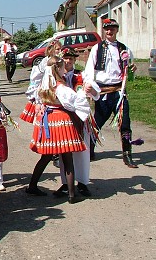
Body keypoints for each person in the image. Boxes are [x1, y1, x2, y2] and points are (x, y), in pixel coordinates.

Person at [26, 56, 90, 203]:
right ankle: (71, 194)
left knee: (46, 156)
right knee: (67, 159)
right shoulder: (61, 87)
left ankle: (32, 185)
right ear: (59, 69)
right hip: (62, 120)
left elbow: (36, 98)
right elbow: (77, 101)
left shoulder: (43, 84)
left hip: (48, 120)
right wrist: (83, 92)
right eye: (62, 68)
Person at [83, 18, 138, 168]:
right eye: (107, 29)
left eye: (112, 28)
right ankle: (90, 150)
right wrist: (88, 85)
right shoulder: (97, 48)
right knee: (97, 123)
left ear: (117, 30)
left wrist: (132, 70)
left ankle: (127, 154)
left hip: (119, 93)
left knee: (125, 123)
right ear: (104, 31)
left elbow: (129, 72)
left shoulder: (124, 49)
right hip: (103, 92)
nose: (109, 31)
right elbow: (89, 69)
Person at [54, 47, 100, 197]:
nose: (68, 61)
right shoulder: (56, 76)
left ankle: (82, 182)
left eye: (71, 58)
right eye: (65, 58)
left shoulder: (81, 75)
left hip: (81, 119)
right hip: (64, 118)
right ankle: (66, 184)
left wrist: (90, 88)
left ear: (74, 60)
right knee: (64, 152)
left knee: (83, 150)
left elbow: (95, 91)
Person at [19, 40, 62, 124]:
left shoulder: (60, 60)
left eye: (61, 49)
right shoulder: (46, 61)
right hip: (46, 90)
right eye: (57, 49)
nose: (60, 51)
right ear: (51, 49)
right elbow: (36, 77)